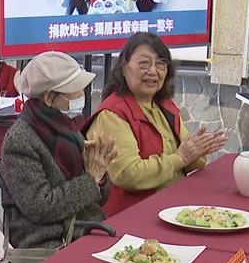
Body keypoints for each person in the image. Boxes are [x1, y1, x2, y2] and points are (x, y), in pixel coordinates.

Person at [84, 32, 226, 215]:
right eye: (143, 63)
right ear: (124, 67)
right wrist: (180, 158)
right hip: (133, 216)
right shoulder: (112, 114)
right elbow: (128, 174)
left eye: (160, 64)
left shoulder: (163, 106)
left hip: (174, 208)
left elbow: (187, 155)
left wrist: (197, 151)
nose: (153, 71)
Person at [0, 51, 116, 249]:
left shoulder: (66, 127)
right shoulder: (20, 140)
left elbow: (98, 199)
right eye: (75, 91)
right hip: (47, 239)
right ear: (50, 98)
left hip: (80, 226)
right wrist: (90, 179)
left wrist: (100, 175)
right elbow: (41, 208)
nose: (81, 96)